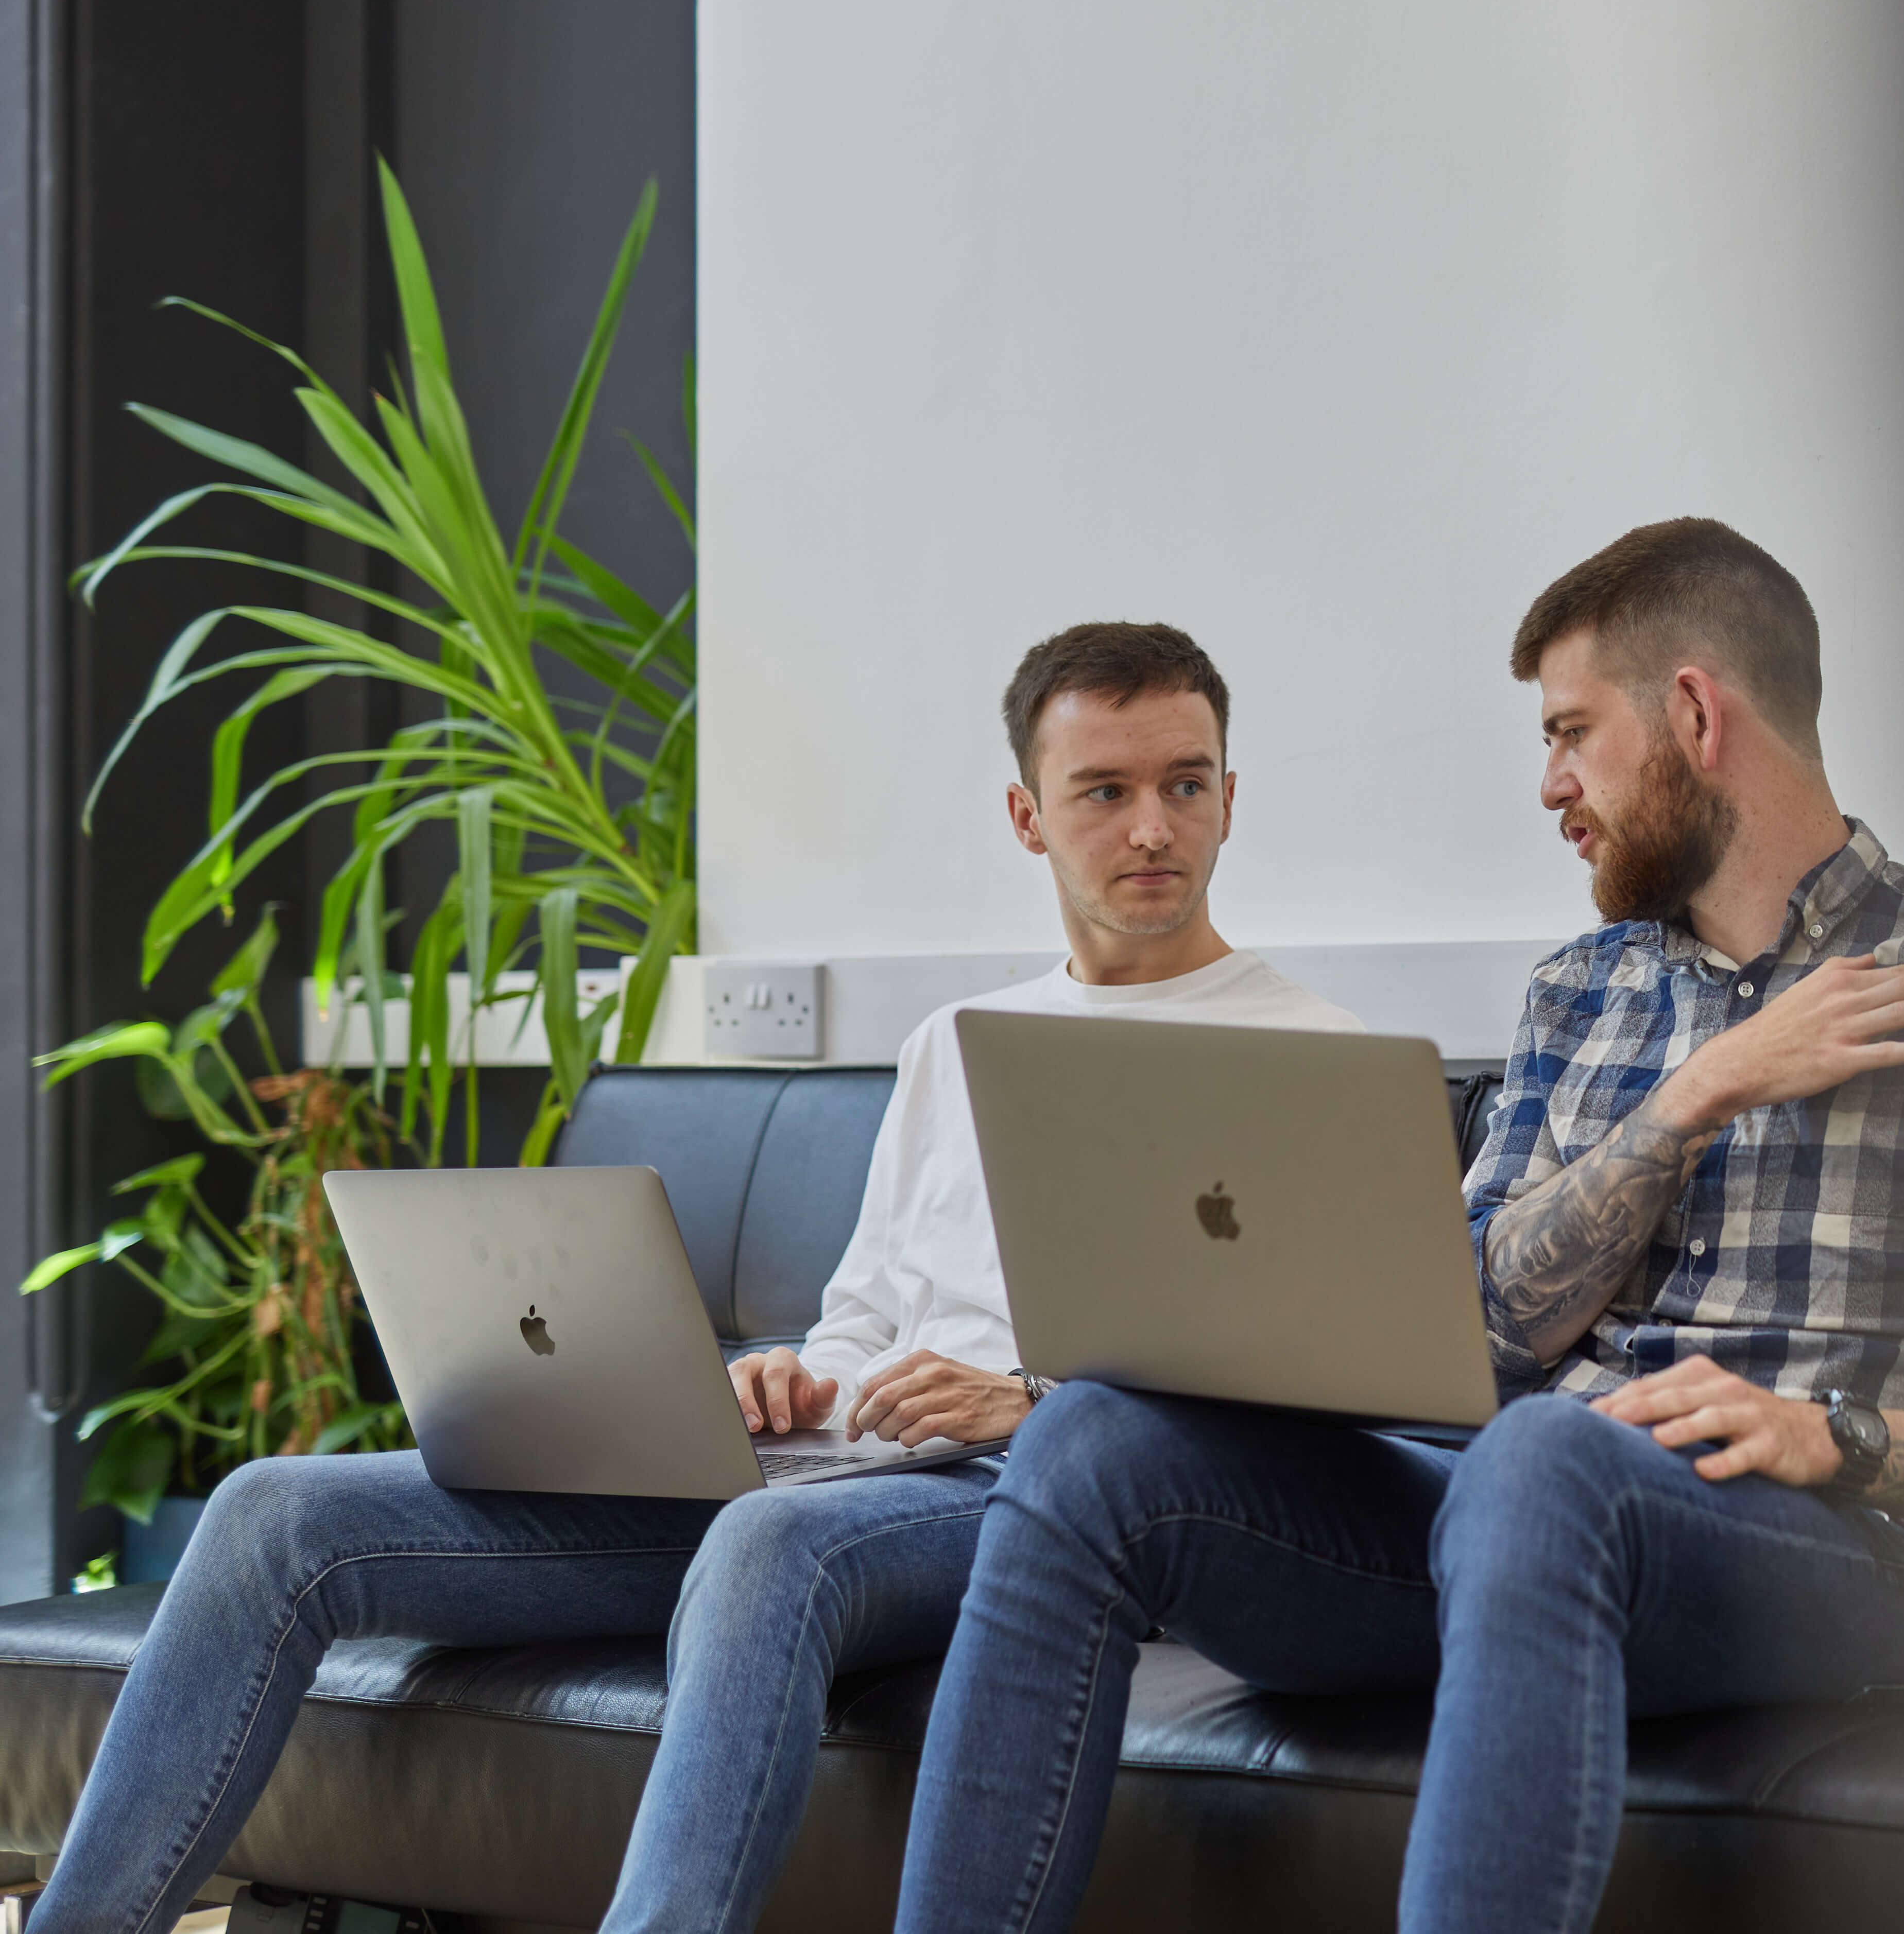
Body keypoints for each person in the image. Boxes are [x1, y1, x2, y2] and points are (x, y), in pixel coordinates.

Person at [33, 621, 1359, 1934]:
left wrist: (1036, 1397)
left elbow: (1308, 1397)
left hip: (1027, 1499)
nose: (1151, 829)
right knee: (274, 1511)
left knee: (767, 1537)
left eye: (1186, 785)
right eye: (1105, 791)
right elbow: (865, 1317)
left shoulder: (1316, 1054)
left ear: (1231, 798)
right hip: (836, 1467)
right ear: (1027, 815)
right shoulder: (953, 1043)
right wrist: (789, 1376)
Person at [888, 520, 1904, 1934]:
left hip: (1855, 1552)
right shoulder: (1582, 993)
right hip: (1522, 1505)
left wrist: (1834, 1436)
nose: (1552, 785)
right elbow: (1474, 1327)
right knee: (1090, 1441)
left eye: (1572, 733)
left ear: (1694, 714)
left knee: (1543, 1459)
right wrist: (1701, 1093)